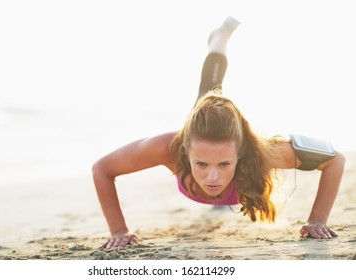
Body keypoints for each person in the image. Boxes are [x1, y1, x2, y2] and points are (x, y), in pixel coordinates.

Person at [92, 16, 346, 249]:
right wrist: (118, 230)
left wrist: (317, 220)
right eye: (200, 164)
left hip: (233, 139)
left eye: (225, 164)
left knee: (211, 88)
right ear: (185, 153)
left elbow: (335, 160)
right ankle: (220, 36)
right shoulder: (168, 148)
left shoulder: (262, 151)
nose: (212, 177)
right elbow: (102, 169)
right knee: (208, 89)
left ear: (241, 153)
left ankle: (220, 37)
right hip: (199, 129)